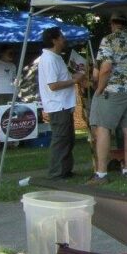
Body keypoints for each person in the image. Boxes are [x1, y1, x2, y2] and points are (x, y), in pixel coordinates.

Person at [88, 12, 127, 184]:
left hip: (113, 91)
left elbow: (105, 68)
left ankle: (101, 173)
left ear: (112, 24)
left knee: (103, 128)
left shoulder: (108, 40)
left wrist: (100, 88)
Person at [37, 27, 86, 181]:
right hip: (57, 105)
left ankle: (65, 169)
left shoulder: (56, 57)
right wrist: (74, 80)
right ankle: (56, 172)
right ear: (54, 40)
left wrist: (75, 75)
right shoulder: (49, 59)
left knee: (68, 139)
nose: (64, 39)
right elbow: (53, 85)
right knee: (60, 139)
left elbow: (61, 77)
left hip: (64, 104)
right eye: (62, 36)